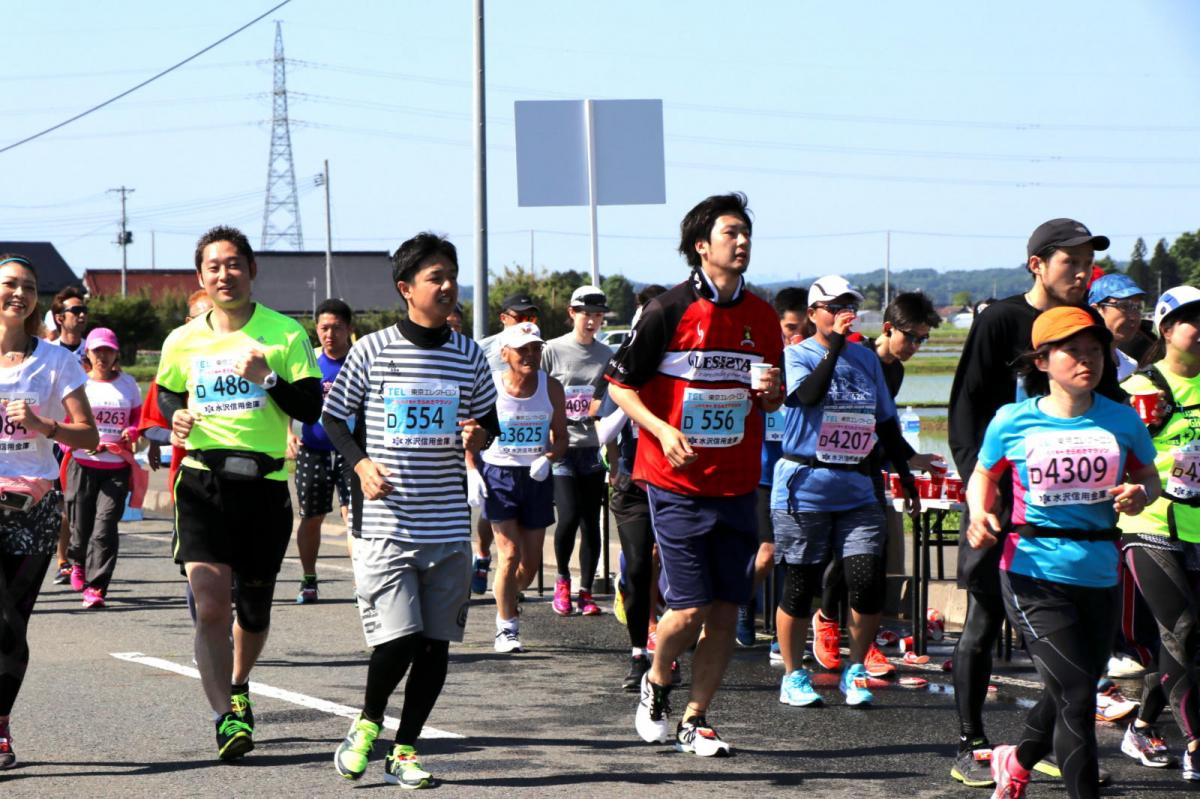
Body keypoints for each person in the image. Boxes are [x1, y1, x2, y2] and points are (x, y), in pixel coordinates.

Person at [947, 218, 1123, 788]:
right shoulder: (1000, 320)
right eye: (1070, 262)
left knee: (1075, 657)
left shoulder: (1088, 324)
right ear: (1037, 265)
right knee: (982, 621)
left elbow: (1111, 405)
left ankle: (1035, 747)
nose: (1082, 273)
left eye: (1088, 263)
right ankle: (972, 742)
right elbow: (967, 406)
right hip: (1002, 500)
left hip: (1070, 512)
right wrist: (982, 491)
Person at [607, 192, 783, 756]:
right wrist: (661, 430)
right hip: (676, 481)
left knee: (727, 610)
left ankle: (696, 717)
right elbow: (620, 385)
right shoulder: (668, 309)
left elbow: (772, 400)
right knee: (688, 609)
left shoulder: (762, 316)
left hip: (737, 482)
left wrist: (772, 393)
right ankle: (657, 681)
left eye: (746, 233)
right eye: (731, 233)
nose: (742, 241)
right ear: (702, 246)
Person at [323, 232, 497, 787]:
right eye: (434, 278)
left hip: (448, 524)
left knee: (435, 645)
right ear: (406, 288)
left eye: (451, 277)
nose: (447, 287)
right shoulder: (372, 350)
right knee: (397, 639)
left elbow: (489, 422)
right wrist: (360, 464)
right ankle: (368, 722)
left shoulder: (469, 354)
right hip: (387, 523)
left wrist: (479, 435)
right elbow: (333, 417)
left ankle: (405, 749)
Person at [967, 306, 1159, 799]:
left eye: (1095, 350)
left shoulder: (1121, 418)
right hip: (1033, 570)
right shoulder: (1013, 420)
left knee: (1069, 688)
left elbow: (1148, 476)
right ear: (1042, 361)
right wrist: (979, 512)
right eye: (1072, 351)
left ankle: (1015, 760)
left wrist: (1140, 494)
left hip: (1100, 570)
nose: (1086, 359)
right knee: (1077, 695)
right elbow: (984, 474)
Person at [156, 226, 323, 760]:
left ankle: (239, 683)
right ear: (201, 276)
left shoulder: (284, 334)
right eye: (213, 266)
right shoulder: (183, 340)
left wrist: (267, 377)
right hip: (201, 482)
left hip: (264, 487)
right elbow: (166, 393)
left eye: (233, 264)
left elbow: (311, 407)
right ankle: (224, 717)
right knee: (210, 605)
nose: (224, 274)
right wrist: (176, 416)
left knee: (253, 610)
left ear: (251, 270)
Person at [771, 276, 920, 709]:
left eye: (848, 306)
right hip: (805, 485)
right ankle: (793, 675)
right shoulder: (796, 354)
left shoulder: (866, 359)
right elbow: (808, 395)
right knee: (801, 586)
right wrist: (835, 345)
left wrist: (906, 475)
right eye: (833, 306)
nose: (843, 313)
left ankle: (854, 669)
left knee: (866, 580)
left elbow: (885, 423)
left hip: (857, 484)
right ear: (813, 313)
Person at [810, 291, 944, 678]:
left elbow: (885, 426)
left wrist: (908, 470)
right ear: (887, 328)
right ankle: (826, 620)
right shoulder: (855, 353)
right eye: (911, 337)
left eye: (923, 339)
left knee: (867, 557)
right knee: (841, 558)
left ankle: (862, 644)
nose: (915, 346)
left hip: (867, 465)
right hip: (830, 465)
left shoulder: (895, 371)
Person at [0, 254, 98, 769]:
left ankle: (0, 723)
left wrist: (44, 426)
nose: (19, 293)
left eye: (29, 287)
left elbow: (89, 435)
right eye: (9, 284)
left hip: (32, 507)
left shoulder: (57, 361)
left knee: (11, 627)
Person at [1116, 285, 1200, 780]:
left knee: (1184, 638)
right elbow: (1112, 452)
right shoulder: (1142, 388)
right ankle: (1196, 743)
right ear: (1166, 330)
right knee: (1183, 627)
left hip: (1198, 527)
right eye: (1193, 320)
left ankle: (1142, 725)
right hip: (1149, 524)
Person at [471, 321, 567, 653]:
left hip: (536, 477)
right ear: (505, 354)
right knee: (509, 554)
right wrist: (472, 470)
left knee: (530, 566)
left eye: (536, 349)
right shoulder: (491, 387)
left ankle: (510, 597)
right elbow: (472, 433)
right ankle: (506, 628)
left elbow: (562, 437)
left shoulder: (551, 388)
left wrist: (549, 457)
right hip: (499, 474)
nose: (530, 355)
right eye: (522, 349)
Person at [138, 290, 215, 627]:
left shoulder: (243, 360)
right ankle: (210, 635)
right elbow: (149, 425)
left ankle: (228, 629)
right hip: (190, 482)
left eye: (215, 315)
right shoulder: (176, 366)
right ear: (187, 322)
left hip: (244, 480)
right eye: (201, 317)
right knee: (197, 568)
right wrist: (169, 434)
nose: (209, 323)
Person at [604, 283, 667, 688]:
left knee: (671, 566)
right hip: (632, 482)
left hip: (674, 480)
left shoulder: (681, 365)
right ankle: (639, 652)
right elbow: (602, 430)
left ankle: (667, 642)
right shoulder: (624, 364)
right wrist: (632, 407)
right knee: (640, 565)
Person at [739, 286, 809, 649]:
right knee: (766, 553)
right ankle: (742, 603)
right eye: (790, 328)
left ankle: (783, 635)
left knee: (794, 558)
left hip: (800, 476)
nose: (796, 336)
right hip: (763, 474)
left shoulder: (811, 363)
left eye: (803, 329)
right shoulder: (763, 364)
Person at [544, 285, 614, 616]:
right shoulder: (553, 350)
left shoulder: (606, 355)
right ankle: (562, 581)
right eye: (586, 315)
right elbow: (539, 390)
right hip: (563, 445)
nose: (592, 322)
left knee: (591, 522)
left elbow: (611, 399)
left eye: (598, 316)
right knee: (568, 516)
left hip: (592, 446)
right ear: (572, 313)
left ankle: (586, 591)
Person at [64, 327, 144, 609]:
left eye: (108, 350)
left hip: (116, 466)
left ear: (116, 354)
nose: (102, 356)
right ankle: (77, 563)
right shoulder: (78, 384)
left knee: (105, 526)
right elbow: (65, 422)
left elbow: (137, 420)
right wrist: (78, 443)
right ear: (87, 353)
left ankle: (96, 586)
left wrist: (132, 432)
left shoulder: (129, 384)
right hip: (82, 464)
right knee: (79, 527)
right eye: (97, 351)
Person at [471, 292, 540, 595]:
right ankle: (482, 554)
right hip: (491, 437)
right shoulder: (483, 349)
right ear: (503, 318)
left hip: (527, 442)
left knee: (517, 537)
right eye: (519, 316)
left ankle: (510, 590)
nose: (526, 322)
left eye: (531, 317)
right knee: (491, 511)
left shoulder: (536, 346)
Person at [288, 298, 355, 604]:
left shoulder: (359, 361)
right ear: (316, 329)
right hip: (313, 449)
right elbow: (291, 397)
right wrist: (288, 434)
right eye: (324, 328)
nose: (330, 334)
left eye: (337, 328)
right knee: (312, 517)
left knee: (353, 517)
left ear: (349, 329)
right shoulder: (310, 361)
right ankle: (309, 578)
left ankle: (361, 580)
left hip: (352, 452)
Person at [47, 285, 88, 586]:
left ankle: (79, 561)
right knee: (60, 503)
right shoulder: (46, 352)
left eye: (84, 309)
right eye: (75, 310)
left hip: (85, 435)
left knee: (80, 504)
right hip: (53, 435)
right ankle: (63, 561)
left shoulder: (95, 350)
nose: (82, 315)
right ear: (59, 317)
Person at [1089, 273, 1147, 382]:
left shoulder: (1130, 366)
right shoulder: (1081, 363)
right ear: (1096, 310)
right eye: (1124, 306)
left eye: (1138, 307)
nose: (1133, 317)